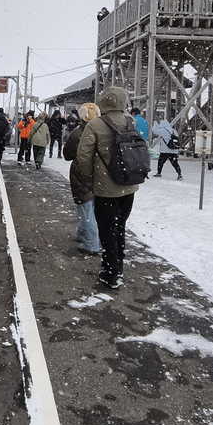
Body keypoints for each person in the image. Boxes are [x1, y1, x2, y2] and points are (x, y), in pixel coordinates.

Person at [75, 86, 143, 289]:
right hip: (129, 185)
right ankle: (118, 265)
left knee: (107, 230)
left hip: (106, 188)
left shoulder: (95, 124)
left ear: (103, 101)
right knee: (120, 227)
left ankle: (111, 273)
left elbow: (83, 156)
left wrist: (90, 178)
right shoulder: (130, 120)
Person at [62, 102, 102, 255]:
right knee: (91, 208)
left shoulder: (78, 133)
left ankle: (91, 243)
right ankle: (84, 234)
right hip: (99, 173)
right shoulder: (103, 130)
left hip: (82, 173)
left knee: (85, 206)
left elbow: (68, 155)